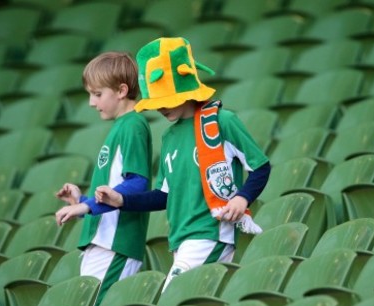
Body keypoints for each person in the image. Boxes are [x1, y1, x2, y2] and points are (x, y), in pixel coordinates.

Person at [95, 37, 271, 290]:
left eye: (166, 98)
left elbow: (260, 167)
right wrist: (122, 201)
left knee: (171, 299)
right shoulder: (169, 136)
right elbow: (164, 195)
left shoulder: (222, 121)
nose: (161, 108)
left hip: (211, 233)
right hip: (180, 240)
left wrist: (242, 199)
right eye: (156, 102)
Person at [54, 51, 152, 306]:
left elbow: (136, 184)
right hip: (103, 243)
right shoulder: (121, 126)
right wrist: (82, 201)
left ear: (121, 90)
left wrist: (86, 207)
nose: (91, 102)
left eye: (97, 94)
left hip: (116, 244)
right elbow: (114, 193)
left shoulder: (133, 125)